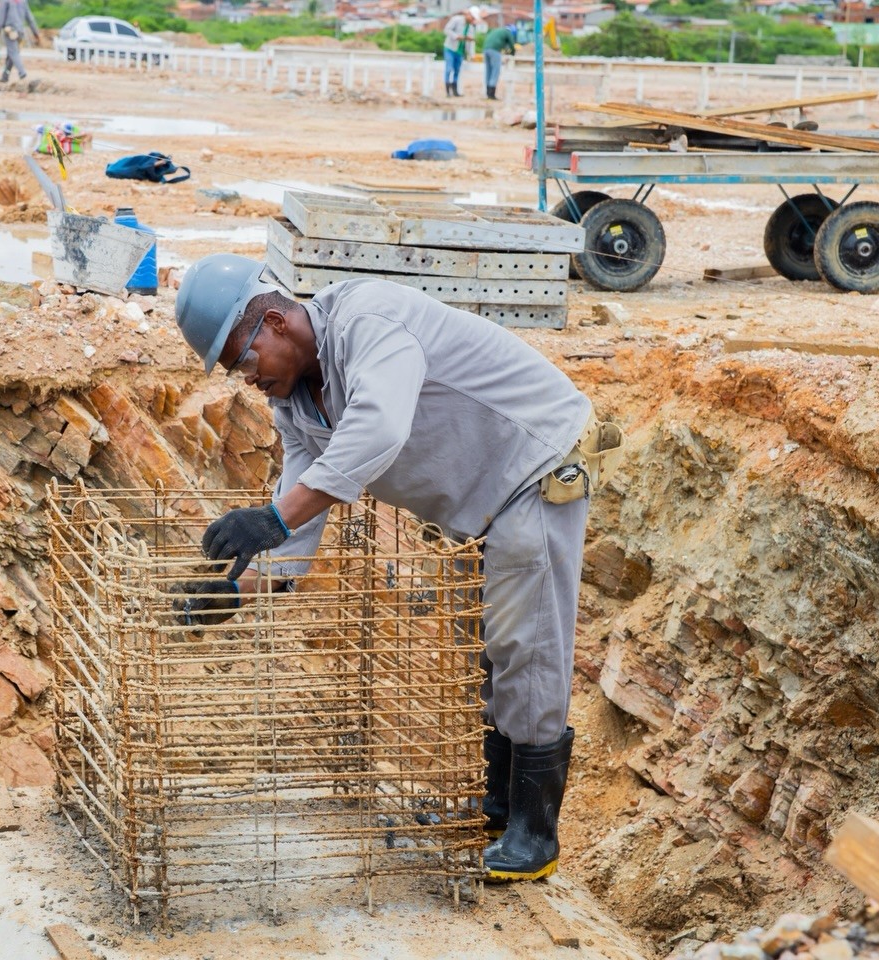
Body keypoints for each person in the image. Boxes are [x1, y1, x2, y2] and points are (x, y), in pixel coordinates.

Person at [171, 255, 624, 883]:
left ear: (275, 321)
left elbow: (378, 429)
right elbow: (298, 516)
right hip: (481, 498)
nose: (247, 380)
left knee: (528, 642)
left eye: (244, 362)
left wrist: (272, 520)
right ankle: (498, 808)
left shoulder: (369, 321)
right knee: (489, 646)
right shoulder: (297, 404)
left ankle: (535, 834)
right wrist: (235, 590)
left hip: (534, 463)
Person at [0, 0, 42, 84]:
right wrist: (36, 33)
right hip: (20, 32)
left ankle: (22, 73)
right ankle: (5, 76)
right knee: (11, 55)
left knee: (13, 53)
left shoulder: (5, 1)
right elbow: (30, 18)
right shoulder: (23, 1)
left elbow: (0, 19)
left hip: (10, 31)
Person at [481, 24, 514, 101]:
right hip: (495, 50)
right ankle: (492, 94)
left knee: (488, 71)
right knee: (495, 71)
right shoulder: (508, 32)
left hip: (486, 49)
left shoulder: (497, 31)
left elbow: (504, 45)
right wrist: (513, 53)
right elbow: (511, 44)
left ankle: (488, 93)